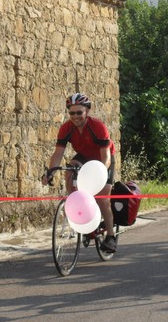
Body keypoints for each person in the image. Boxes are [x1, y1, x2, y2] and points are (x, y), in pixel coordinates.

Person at [42, 93, 118, 253]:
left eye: (79, 112)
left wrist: (100, 174)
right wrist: (50, 172)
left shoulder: (98, 127)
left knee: (103, 199)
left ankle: (110, 236)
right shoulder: (66, 128)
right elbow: (58, 154)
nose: (75, 116)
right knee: (69, 169)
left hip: (102, 159)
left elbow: (106, 158)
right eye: (72, 113)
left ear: (87, 111)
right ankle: (77, 205)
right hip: (84, 156)